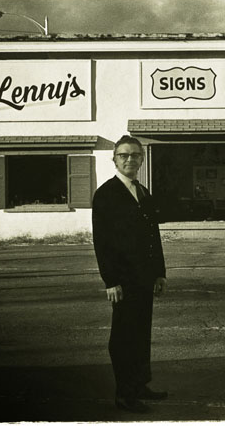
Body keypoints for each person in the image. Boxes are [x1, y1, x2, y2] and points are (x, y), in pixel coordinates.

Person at [92, 135, 168, 414]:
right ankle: (124, 394)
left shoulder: (143, 192)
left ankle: (139, 385)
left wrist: (159, 273)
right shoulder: (106, 194)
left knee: (140, 333)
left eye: (135, 155)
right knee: (124, 337)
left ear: (141, 159)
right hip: (122, 280)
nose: (129, 160)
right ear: (115, 159)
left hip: (144, 278)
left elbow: (153, 236)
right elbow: (102, 241)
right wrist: (110, 281)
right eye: (123, 155)